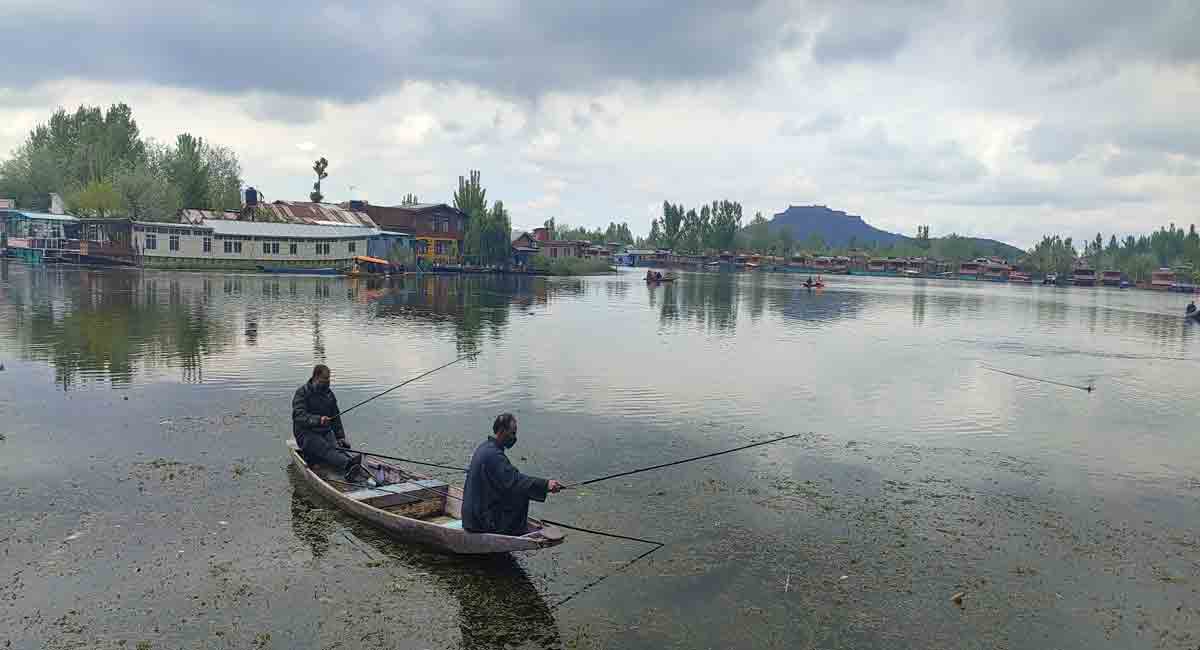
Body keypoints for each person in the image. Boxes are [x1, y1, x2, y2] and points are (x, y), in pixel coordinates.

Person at [462, 414, 562, 536]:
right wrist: (546, 485)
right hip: (479, 522)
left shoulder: (485, 447)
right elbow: (515, 481)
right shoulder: (494, 455)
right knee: (520, 495)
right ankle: (514, 531)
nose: (514, 437)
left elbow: (507, 479)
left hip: (471, 516)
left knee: (514, 491)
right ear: (502, 431)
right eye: (512, 433)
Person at [293, 364, 371, 483]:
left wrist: (340, 437)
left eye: (328, 379)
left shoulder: (329, 394)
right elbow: (299, 416)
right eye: (324, 379)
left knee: (338, 448)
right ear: (315, 377)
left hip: (325, 431)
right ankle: (349, 465)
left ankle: (351, 464)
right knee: (326, 449)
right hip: (306, 434)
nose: (327, 382)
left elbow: (336, 417)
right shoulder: (302, 393)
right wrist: (318, 419)